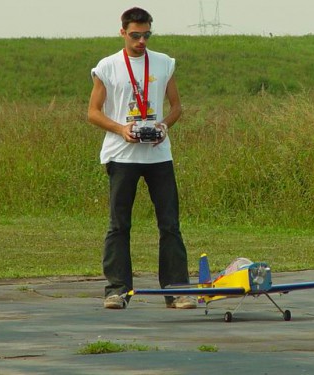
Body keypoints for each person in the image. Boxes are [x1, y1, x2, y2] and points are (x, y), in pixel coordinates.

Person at [87, 7, 196, 310]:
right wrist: (122, 129)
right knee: (119, 224)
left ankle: (176, 291)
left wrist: (163, 125)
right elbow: (93, 113)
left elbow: (176, 107)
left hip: (158, 154)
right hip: (122, 154)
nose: (141, 41)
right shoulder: (107, 67)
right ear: (122, 32)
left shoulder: (163, 63)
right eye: (135, 35)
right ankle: (117, 290)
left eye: (147, 34)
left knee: (170, 224)